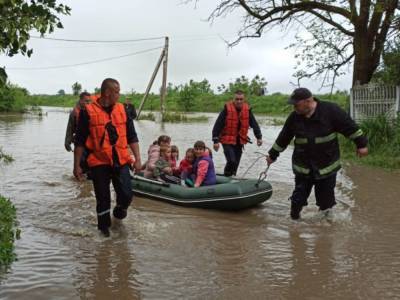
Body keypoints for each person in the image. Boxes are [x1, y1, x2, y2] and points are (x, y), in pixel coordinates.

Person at [266, 88, 368, 220]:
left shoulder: (331, 111)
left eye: (296, 104)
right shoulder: (294, 117)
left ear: (308, 101)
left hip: (327, 166)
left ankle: (325, 229)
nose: (294, 107)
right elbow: (283, 138)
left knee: (326, 203)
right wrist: (272, 155)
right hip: (303, 168)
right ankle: (294, 224)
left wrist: (361, 145)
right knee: (297, 200)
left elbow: (350, 128)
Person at [73, 78, 142, 237]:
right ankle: (104, 234)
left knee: (126, 195)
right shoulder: (87, 111)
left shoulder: (123, 109)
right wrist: (76, 165)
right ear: (108, 93)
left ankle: (118, 213)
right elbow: (80, 141)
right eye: (117, 91)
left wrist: (137, 158)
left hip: (122, 159)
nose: (119, 94)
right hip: (99, 161)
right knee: (103, 199)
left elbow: (132, 136)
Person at [212, 90, 263, 177]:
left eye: (241, 99)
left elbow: (254, 124)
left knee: (235, 164)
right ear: (233, 99)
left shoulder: (247, 109)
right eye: (237, 99)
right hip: (227, 139)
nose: (239, 101)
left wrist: (259, 137)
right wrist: (215, 141)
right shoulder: (226, 109)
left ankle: (232, 178)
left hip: (240, 140)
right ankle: (227, 177)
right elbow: (218, 125)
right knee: (231, 161)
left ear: (244, 99)